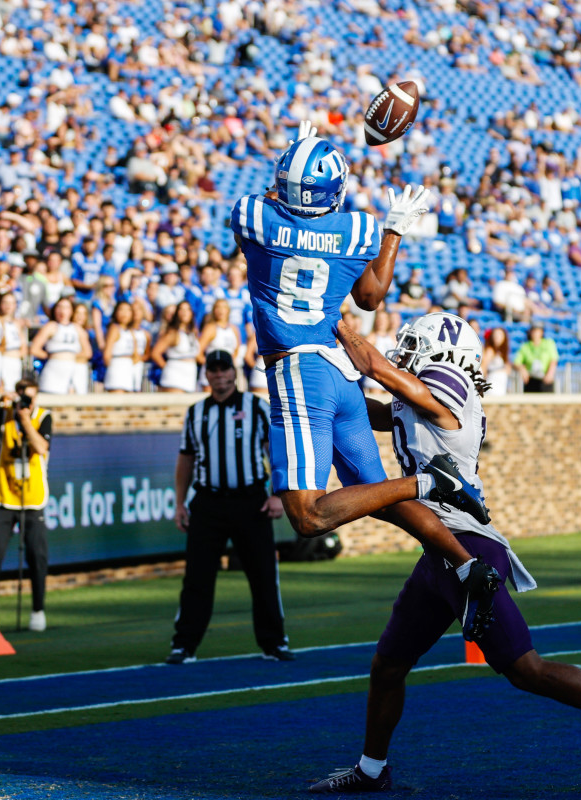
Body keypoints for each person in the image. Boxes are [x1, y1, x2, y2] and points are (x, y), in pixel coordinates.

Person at [311, 314, 581, 793]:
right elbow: (373, 408)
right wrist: (322, 391)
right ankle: (372, 770)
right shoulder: (418, 395)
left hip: (469, 551)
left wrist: (331, 327)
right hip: (439, 553)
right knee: (388, 665)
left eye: (414, 345)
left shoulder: (452, 386)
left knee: (526, 669)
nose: (405, 353)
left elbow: (377, 368)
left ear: (445, 355)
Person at [230, 121, 498, 617]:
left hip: (297, 371)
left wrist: (293, 166)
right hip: (342, 374)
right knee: (377, 495)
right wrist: (394, 228)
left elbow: (269, 202)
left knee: (308, 517)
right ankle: (466, 565)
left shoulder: (253, 216)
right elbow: (371, 297)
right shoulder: (357, 228)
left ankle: (432, 482)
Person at [167, 350, 293, 664]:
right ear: (206, 375)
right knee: (197, 577)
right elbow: (186, 459)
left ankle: (274, 642)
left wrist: (278, 493)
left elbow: (276, 450)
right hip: (207, 502)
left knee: (263, 574)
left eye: (225, 370)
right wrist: (180, 503)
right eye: (214, 370)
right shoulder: (196, 413)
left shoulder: (255, 407)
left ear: (233, 374)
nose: (220, 376)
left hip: (250, 501)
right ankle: (184, 645)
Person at [0, 378, 52, 631]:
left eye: (31, 397)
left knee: (37, 558)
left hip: (32, 498)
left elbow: (41, 447)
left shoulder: (43, 416)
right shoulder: (5, 414)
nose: (26, 403)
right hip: (3, 497)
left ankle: (38, 612)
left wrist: (26, 420)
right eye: (22, 398)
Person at [31, 296, 89, 394]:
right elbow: (34, 349)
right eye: (59, 307)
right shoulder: (50, 326)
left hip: (72, 370)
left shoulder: (77, 329)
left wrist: (69, 356)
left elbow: (87, 352)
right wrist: (52, 356)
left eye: (66, 307)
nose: (62, 311)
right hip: (53, 370)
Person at [152, 300, 200, 392]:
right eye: (181, 310)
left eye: (187, 310)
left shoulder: (193, 332)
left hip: (190, 377)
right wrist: (168, 368)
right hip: (174, 378)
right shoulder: (172, 333)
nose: (185, 313)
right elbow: (155, 353)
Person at [102, 300, 137, 392]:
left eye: (128, 310)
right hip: (117, 368)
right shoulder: (114, 328)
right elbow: (107, 354)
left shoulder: (131, 331)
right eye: (121, 310)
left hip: (128, 369)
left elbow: (136, 354)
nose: (124, 313)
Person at [513, 322, 558, 393]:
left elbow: (553, 360)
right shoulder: (525, 346)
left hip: (545, 379)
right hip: (531, 380)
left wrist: (550, 373)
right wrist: (522, 369)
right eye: (534, 331)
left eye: (538, 331)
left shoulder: (548, 343)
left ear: (542, 332)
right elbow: (517, 362)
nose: (535, 333)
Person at [0, 291, 26, 392]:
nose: (8, 306)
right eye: (5, 302)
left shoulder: (17, 323)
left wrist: (20, 355)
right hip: (3, 360)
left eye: (11, 303)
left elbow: (23, 344)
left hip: (15, 363)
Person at [481, 326, 511, 396]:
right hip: (492, 384)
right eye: (495, 334)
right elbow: (484, 366)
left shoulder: (503, 353)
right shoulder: (490, 350)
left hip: (501, 385)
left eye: (500, 335)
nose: (497, 337)